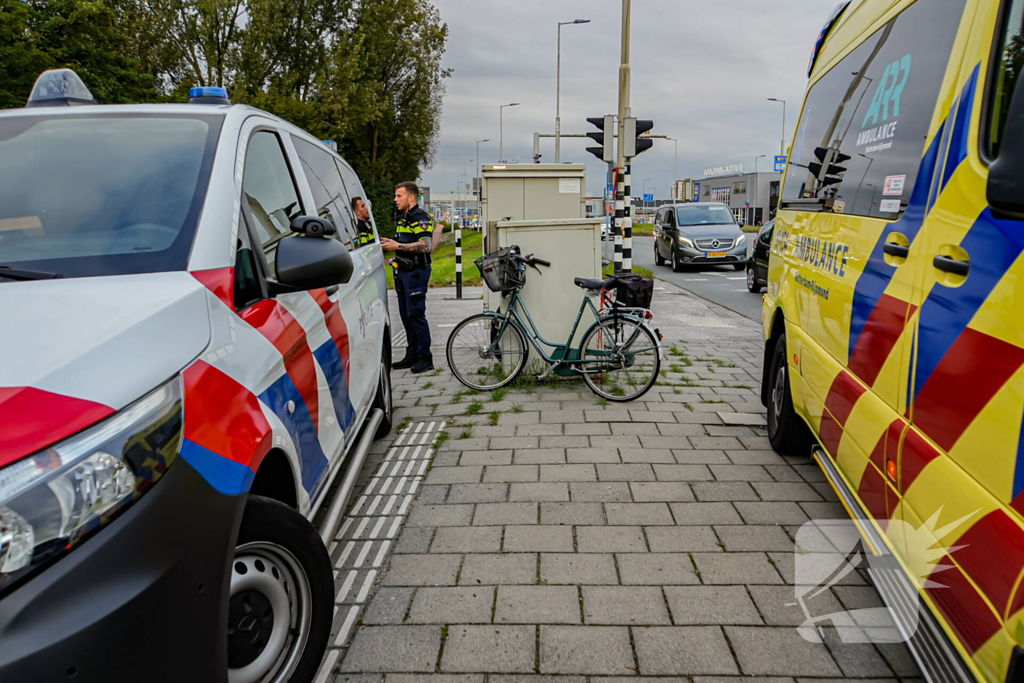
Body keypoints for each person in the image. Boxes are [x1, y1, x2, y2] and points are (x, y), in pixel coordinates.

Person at [380, 182, 434, 373]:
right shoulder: (405, 217)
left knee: (416, 315)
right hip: (403, 272)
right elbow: (404, 241)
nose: (395, 200)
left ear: (411, 198)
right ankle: (412, 355)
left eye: (398, 196)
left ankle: (425, 358)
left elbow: (426, 245)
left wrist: (398, 247)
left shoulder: (419, 217)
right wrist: (392, 244)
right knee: (405, 314)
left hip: (416, 272)